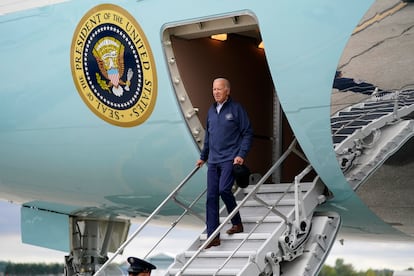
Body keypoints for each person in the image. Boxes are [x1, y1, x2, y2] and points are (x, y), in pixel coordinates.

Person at [196, 77, 253, 249]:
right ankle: (213, 236)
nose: (216, 92)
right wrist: (203, 156)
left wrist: (241, 154)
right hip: (213, 160)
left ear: (227, 91)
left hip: (230, 158)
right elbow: (209, 137)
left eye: (219, 89)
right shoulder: (211, 111)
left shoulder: (236, 109)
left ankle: (237, 222)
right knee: (211, 197)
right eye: (214, 89)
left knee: (223, 190)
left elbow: (248, 132)